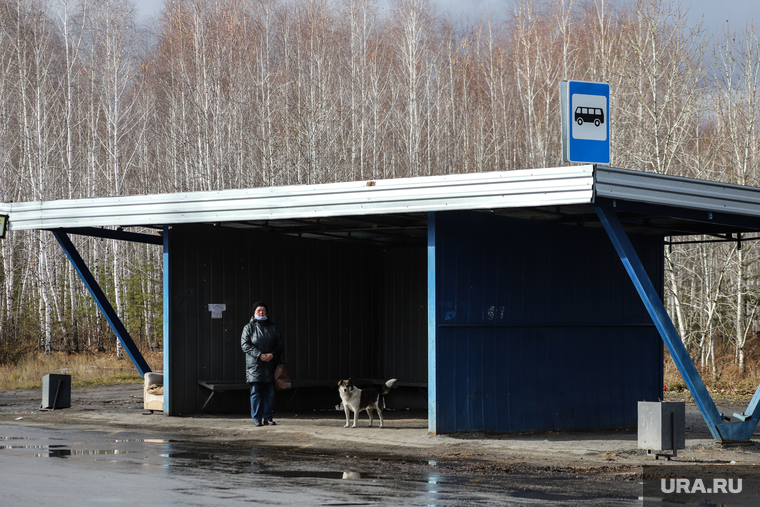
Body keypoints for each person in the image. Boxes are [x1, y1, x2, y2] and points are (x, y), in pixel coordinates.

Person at [241, 301, 284, 426]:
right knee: (256, 392)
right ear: (254, 312)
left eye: (263, 310)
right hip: (254, 365)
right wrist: (259, 354)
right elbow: (245, 345)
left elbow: (280, 344)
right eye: (258, 310)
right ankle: (257, 419)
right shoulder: (248, 327)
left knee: (269, 393)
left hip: (270, 365)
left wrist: (272, 354)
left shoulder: (273, 327)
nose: (261, 312)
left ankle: (268, 418)